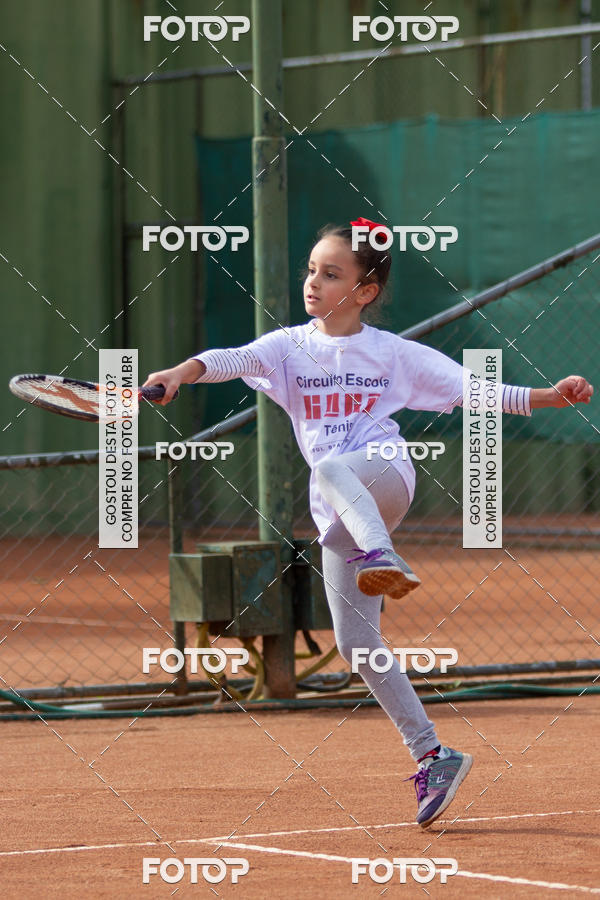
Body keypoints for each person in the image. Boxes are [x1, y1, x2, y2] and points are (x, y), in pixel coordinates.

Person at [144, 218, 593, 828]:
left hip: (386, 474)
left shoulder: (394, 354)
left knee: (331, 465)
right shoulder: (287, 348)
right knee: (358, 647)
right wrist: (177, 373)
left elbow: (475, 390)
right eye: (310, 270)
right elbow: (228, 359)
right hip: (339, 511)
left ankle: (384, 557)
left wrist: (551, 397)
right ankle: (434, 753)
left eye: (332, 274)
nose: (314, 282)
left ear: (365, 291)